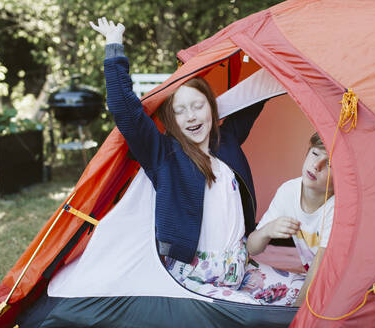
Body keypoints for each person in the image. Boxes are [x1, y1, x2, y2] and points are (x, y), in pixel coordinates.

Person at [90, 17, 265, 302]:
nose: (192, 116)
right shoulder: (164, 155)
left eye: (198, 106)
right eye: (181, 111)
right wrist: (114, 46)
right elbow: (125, 109)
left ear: (212, 108)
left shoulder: (227, 141)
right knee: (246, 311)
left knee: (303, 294)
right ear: (170, 120)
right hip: (190, 278)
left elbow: (258, 93)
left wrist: (266, 50)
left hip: (240, 269)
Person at [246, 132, 335, 307]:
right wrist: (267, 230)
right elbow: (252, 247)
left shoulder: (336, 207)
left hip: (334, 280)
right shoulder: (289, 191)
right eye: (315, 154)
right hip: (310, 278)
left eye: (330, 164)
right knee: (249, 276)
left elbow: (320, 266)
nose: (316, 165)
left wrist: (296, 313)